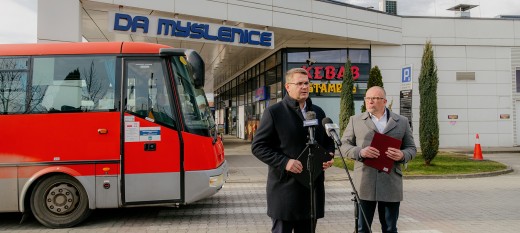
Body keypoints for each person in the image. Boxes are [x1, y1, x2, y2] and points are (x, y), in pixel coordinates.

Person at [251, 68, 335, 233]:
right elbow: (258, 146)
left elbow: (327, 142)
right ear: (288, 87)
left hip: (312, 190)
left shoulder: (318, 112)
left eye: (307, 83)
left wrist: (329, 155)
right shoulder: (274, 112)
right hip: (286, 190)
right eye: (299, 83)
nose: (304, 87)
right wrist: (285, 162)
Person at [339, 86, 417, 233]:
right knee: (363, 229)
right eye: (368, 98)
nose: (370, 101)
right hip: (364, 183)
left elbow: (411, 148)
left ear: (384, 101)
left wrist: (402, 155)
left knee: (390, 228)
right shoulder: (355, 120)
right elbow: (343, 145)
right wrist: (360, 152)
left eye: (375, 98)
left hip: (390, 182)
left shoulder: (402, 121)